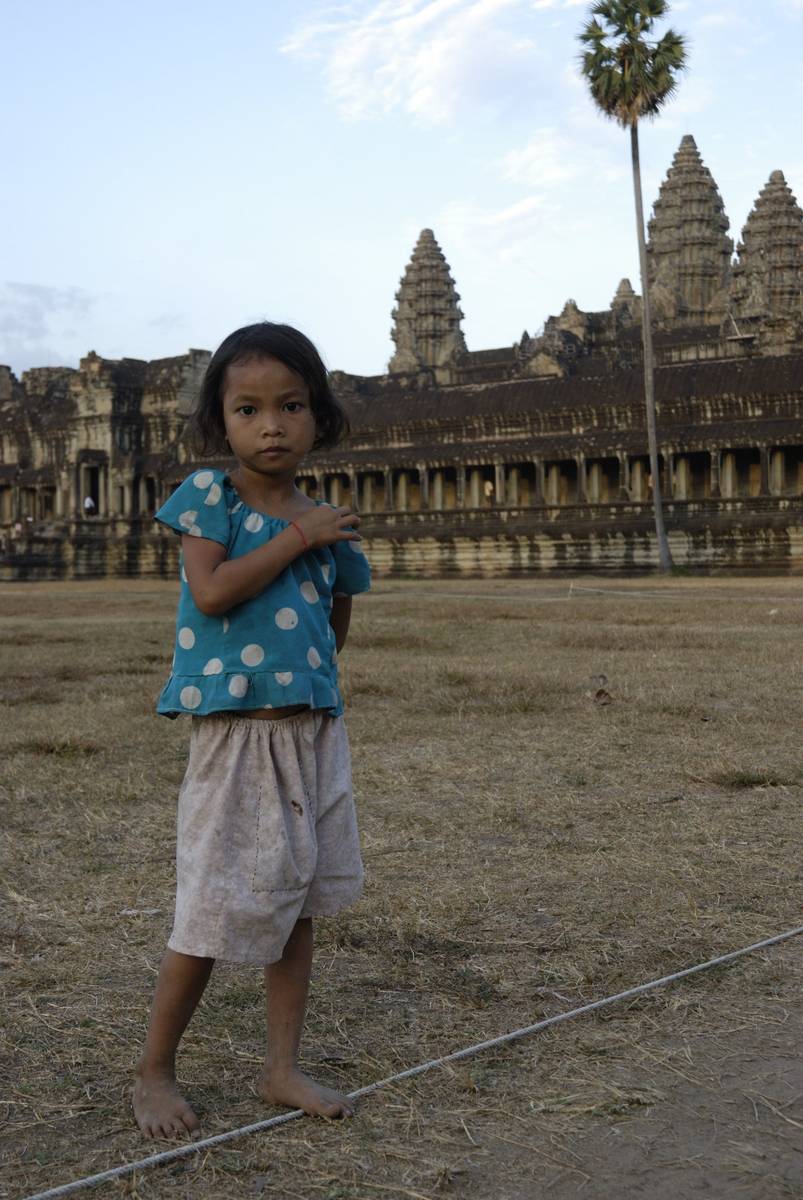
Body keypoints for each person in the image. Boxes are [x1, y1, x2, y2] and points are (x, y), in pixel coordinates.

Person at [133, 322, 371, 1140]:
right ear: (220, 424)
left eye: (291, 406)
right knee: (207, 909)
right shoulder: (211, 499)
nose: (271, 426)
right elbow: (212, 591)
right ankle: (154, 1070)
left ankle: (280, 1066)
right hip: (237, 738)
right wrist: (301, 537)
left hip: (308, 735)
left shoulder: (327, 521)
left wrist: (310, 675)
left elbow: (333, 624)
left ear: (320, 417)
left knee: (296, 903)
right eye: (248, 410)